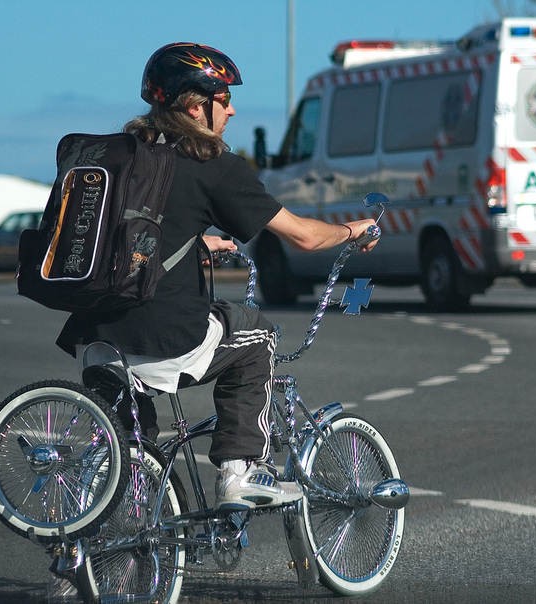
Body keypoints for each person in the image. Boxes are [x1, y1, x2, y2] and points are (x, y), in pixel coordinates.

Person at [56, 42, 378, 511]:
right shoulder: (214, 166)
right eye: (224, 99)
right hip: (163, 343)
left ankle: (74, 568)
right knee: (258, 334)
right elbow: (304, 237)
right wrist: (353, 229)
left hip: (95, 343)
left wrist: (195, 242)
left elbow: (129, 235)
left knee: (124, 459)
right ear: (194, 105)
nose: (232, 108)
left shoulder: (118, 156)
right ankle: (240, 471)